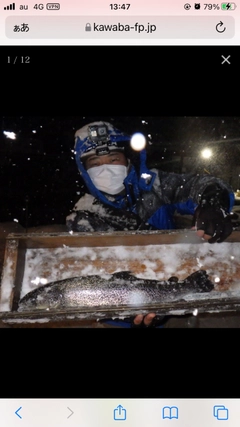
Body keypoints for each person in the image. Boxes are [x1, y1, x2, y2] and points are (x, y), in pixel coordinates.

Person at [66, 121, 235, 328]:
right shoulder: (83, 218)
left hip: (181, 288)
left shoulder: (153, 186)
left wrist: (212, 203)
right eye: (95, 163)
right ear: (85, 171)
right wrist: (125, 316)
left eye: (113, 159)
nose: (106, 169)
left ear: (127, 161)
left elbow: (197, 185)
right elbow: (95, 285)